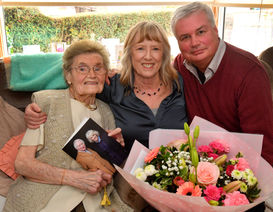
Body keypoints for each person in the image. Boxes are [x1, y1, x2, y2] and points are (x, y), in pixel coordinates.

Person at [3, 40, 133, 212]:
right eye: (82, 68)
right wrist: (75, 178)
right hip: (48, 200)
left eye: (98, 68)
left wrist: (114, 150)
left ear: (105, 74)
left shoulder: (107, 111)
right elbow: (23, 164)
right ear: (68, 76)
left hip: (95, 202)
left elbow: (106, 171)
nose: (92, 74)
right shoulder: (45, 103)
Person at [25, 21, 188, 154]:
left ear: (164, 54)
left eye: (155, 49)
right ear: (129, 54)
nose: (148, 56)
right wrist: (36, 107)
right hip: (131, 174)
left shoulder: (180, 83)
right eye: (140, 49)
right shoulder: (112, 85)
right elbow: (76, 80)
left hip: (180, 173)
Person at [171, 1, 273, 166]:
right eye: (185, 37)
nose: (194, 43)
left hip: (239, 167)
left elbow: (263, 149)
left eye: (200, 32)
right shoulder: (179, 66)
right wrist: (118, 78)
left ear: (215, 30)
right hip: (196, 164)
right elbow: (153, 85)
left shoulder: (250, 72)